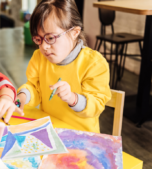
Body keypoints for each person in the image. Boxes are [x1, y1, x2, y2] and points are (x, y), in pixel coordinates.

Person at [16, 0, 111, 133]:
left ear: (74, 32)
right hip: (49, 131)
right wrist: (21, 98)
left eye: (50, 38)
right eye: (38, 39)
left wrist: (73, 98)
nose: (43, 46)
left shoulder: (94, 63)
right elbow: (34, 87)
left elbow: (97, 104)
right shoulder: (39, 57)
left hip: (81, 136)